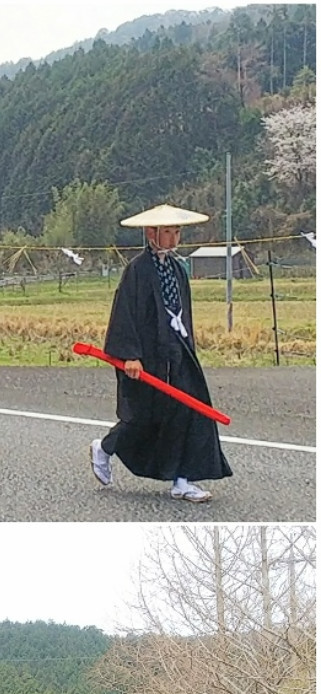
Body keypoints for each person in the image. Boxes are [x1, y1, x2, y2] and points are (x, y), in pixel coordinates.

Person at [90, 203, 232, 503]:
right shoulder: (137, 271)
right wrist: (129, 354)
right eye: (169, 231)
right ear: (151, 233)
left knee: (188, 410)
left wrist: (187, 349)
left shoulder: (178, 269)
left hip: (176, 352)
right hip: (147, 355)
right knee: (144, 416)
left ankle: (182, 479)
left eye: (178, 231)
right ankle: (104, 448)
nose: (175, 237)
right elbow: (125, 313)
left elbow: (184, 314)